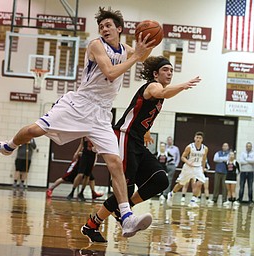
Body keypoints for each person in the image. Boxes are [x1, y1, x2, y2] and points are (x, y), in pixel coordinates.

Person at [0, 6, 155, 238]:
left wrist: (147, 43)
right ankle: (7, 147)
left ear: (119, 29)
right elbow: (111, 73)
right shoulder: (96, 45)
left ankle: (127, 217)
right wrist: (136, 56)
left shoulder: (126, 49)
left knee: (114, 162)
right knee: (34, 129)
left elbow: (144, 56)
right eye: (101, 26)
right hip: (79, 104)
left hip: (102, 114)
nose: (104, 29)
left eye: (108, 25)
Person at [81, 55, 201, 242]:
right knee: (126, 187)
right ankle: (93, 224)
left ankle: (123, 210)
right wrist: (183, 85)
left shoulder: (159, 92)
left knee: (160, 180)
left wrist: (146, 131)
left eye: (171, 70)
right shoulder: (153, 86)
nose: (169, 73)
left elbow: (144, 113)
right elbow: (162, 93)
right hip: (124, 136)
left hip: (136, 141)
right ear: (155, 74)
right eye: (165, 70)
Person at [167, 131, 208, 208]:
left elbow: (204, 159)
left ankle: (193, 201)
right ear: (194, 138)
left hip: (198, 167)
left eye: (200, 138)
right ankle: (172, 193)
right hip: (188, 167)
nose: (198, 139)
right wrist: (188, 162)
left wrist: (203, 168)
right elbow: (183, 157)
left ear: (202, 139)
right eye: (197, 137)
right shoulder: (190, 147)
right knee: (181, 184)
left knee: (201, 181)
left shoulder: (205, 148)